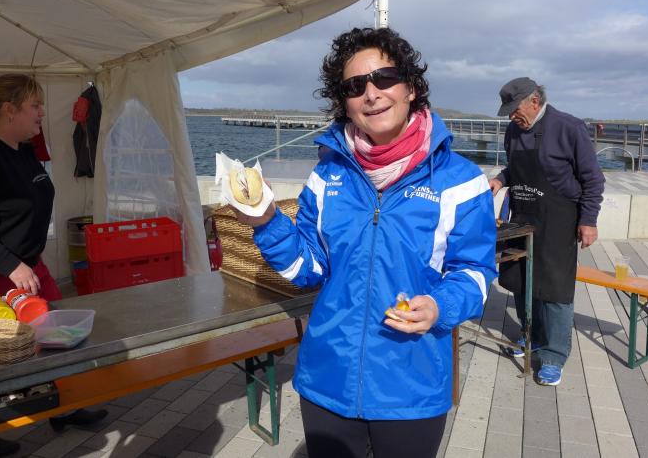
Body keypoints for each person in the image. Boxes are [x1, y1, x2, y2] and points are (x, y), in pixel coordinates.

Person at [236, 27, 497, 458]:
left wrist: (440, 307)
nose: (371, 94)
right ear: (345, 103)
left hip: (410, 387)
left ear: (411, 88)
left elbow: (475, 272)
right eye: (355, 86)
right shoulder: (327, 176)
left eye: (384, 78)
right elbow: (308, 270)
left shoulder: (461, 181)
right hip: (327, 379)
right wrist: (266, 222)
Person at [0, 74, 107, 458]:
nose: (42, 113)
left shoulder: (21, 148)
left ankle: (63, 407)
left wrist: (26, 262)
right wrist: (12, 266)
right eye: (35, 106)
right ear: (9, 110)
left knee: (58, 340)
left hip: (29, 269)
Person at [490, 77, 605, 386]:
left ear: (535, 101)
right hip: (522, 214)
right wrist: (500, 179)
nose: (512, 117)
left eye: (515, 110)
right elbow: (515, 169)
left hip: (558, 218)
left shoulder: (569, 128)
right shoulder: (514, 131)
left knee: (554, 287)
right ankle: (533, 337)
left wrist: (589, 220)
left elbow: (593, 179)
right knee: (521, 280)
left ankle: (554, 355)